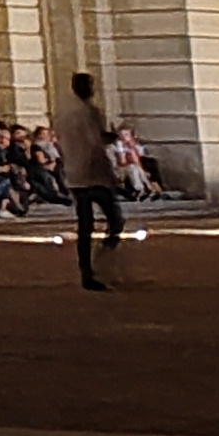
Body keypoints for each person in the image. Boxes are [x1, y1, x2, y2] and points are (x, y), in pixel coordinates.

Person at [55, 73, 124, 289]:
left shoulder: (63, 113)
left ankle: (87, 271)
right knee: (115, 221)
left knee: (85, 226)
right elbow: (95, 143)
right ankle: (103, 262)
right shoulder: (90, 112)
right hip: (94, 173)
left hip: (74, 173)